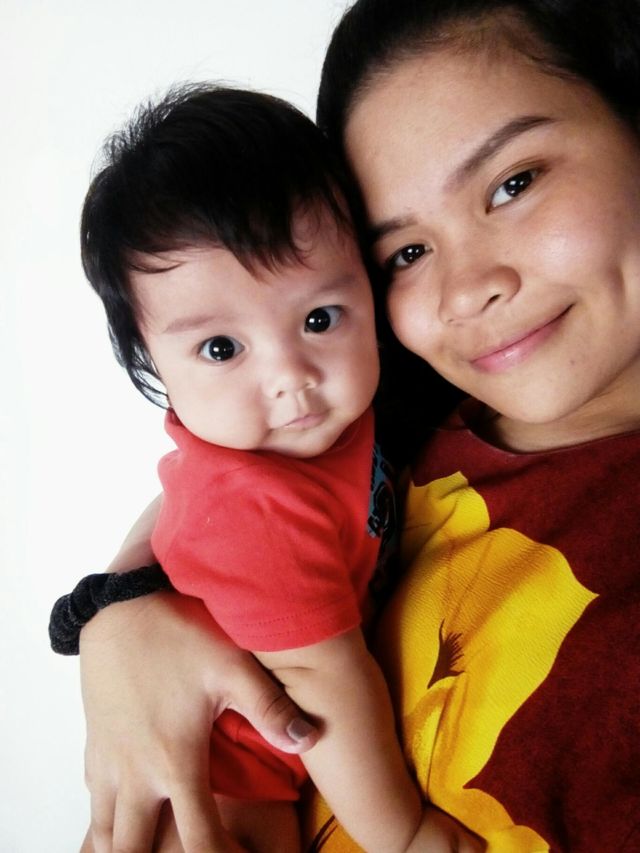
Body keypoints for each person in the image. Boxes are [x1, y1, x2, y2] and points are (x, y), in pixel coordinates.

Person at [58, 0, 640, 849]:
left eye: (513, 184)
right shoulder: (407, 416)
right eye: (406, 252)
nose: (466, 288)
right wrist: (120, 615)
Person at [66, 83, 474, 852]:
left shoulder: (341, 420)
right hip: (214, 787)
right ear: (153, 363)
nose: (291, 377)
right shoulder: (257, 507)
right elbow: (322, 686)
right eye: (221, 348)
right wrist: (405, 832)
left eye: (319, 318)